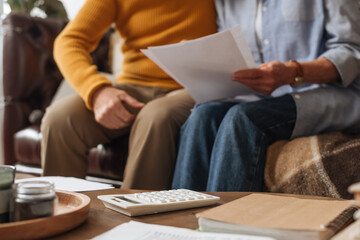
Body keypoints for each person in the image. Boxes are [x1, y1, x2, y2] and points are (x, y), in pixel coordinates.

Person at [172, 0, 360, 191]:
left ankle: (225, 218)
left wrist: (293, 71)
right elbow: (232, 51)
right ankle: (178, 218)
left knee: (243, 118)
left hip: (332, 91)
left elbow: (352, 52)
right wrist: (202, 58)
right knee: (203, 117)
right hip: (259, 95)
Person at [41, 0, 217, 190]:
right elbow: (69, 41)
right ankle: (63, 213)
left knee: (156, 117)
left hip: (189, 86)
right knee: (60, 119)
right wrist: (97, 91)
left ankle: (133, 214)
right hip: (134, 86)